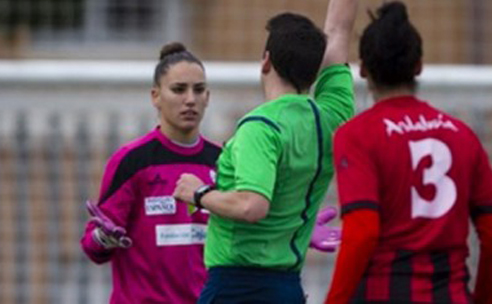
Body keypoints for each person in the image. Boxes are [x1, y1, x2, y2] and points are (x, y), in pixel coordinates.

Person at [173, 0, 380, 303]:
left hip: (236, 287)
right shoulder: (332, 118)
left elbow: (253, 205)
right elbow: (338, 29)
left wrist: (198, 194)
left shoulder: (259, 127)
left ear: (265, 60)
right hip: (287, 287)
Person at [80, 43, 342, 304]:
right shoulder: (131, 161)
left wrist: (294, 224)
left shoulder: (225, 160)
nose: (190, 99)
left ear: (208, 97)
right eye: (179, 89)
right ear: (155, 96)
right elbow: (93, 247)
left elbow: (247, 221)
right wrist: (103, 237)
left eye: (199, 89)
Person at [324, 1, 492, 304]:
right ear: (419, 65)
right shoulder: (462, 135)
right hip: (450, 295)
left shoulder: (357, 135)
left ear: (363, 69)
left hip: (381, 293)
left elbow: (362, 232)